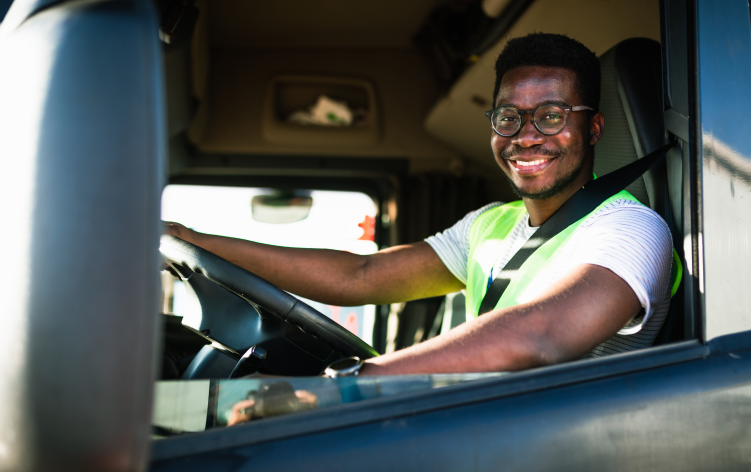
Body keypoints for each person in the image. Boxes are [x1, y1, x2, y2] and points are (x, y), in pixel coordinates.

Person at [165, 32, 673, 376]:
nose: (526, 136)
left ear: (594, 129)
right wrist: (193, 242)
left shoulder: (631, 228)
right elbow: (360, 275)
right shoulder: (489, 226)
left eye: (552, 116)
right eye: (508, 118)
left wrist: (360, 383)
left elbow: (541, 335)